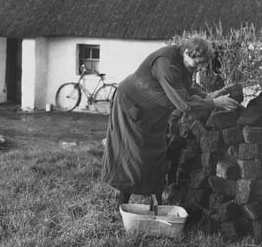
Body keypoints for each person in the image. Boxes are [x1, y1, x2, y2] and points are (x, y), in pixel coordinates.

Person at [101, 37, 240, 208]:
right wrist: (214, 103)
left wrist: (209, 96)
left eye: (201, 65)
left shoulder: (183, 60)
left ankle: (158, 206)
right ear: (188, 52)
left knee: (157, 153)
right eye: (197, 64)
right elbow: (184, 104)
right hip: (132, 105)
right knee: (133, 154)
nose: (198, 68)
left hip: (154, 112)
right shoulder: (166, 64)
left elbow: (186, 87)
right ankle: (122, 205)